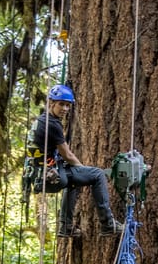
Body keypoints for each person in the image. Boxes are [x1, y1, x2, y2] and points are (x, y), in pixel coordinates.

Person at [31, 83, 118, 240]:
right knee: (97, 174)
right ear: (51, 102)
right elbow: (68, 155)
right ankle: (108, 224)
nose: (65, 109)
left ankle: (66, 227)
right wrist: (84, 171)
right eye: (61, 104)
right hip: (50, 176)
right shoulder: (52, 124)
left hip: (41, 175)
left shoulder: (41, 120)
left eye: (67, 105)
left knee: (74, 180)